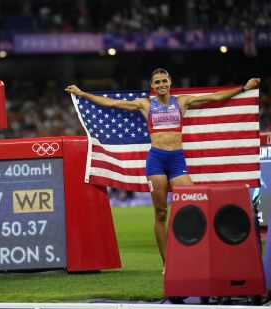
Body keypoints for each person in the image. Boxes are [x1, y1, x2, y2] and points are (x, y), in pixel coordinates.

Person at [65, 68, 260, 266]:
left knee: (193, 207)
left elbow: (215, 97)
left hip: (177, 161)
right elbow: (112, 103)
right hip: (156, 161)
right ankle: (168, 264)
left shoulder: (182, 102)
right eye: (157, 82)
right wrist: (82, 94)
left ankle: (196, 257)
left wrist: (244, 88)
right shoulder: (145, 105)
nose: (161, 85)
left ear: (170, 82)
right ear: (152, 86)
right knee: (161, 213)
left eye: (164, 81)